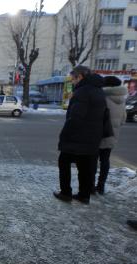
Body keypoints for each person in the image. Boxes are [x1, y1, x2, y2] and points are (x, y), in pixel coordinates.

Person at [53, 66, 107, 204]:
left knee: (64, 161)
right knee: (85, 167)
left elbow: (76, 117)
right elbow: (105, 116)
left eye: (73, 79)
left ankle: (66, 193)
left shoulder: (82, 92)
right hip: (92, 137)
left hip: (77, 137)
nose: (72, 82)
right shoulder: (99, 91)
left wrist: (64, 135)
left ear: (80, 77)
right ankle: (84, 195)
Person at [94, 76, 127, 195]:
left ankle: (90, 185)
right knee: (105, 160)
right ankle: (101, 186)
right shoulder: (122, 99)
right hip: (113, 135)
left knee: (93, 160)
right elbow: (123, 119)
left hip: (99, 134)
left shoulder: (103, 97)